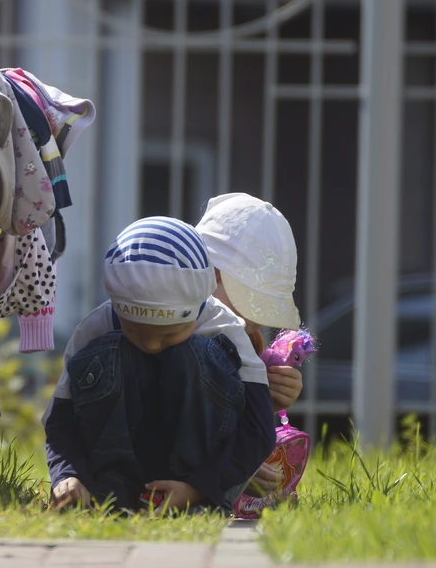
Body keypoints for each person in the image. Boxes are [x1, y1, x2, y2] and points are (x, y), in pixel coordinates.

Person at [42, 217, 276, 513]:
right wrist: (68, 474)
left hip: (200, 482)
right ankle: (107, 495)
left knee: (195, 353)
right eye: (137, 331)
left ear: (198, 308)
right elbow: (59, 421)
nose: (152, 345)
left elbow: (259, 430)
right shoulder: (96, 327)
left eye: (169, 334)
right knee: (110, 350)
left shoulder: (223, 327)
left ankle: (196, 503)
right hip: (112, 475)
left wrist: (199, 487)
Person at [195, 192, 305, 497]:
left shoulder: (245, 340)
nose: (255, 322)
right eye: (250, 301)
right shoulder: (173, 338)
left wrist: (268, 403)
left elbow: (221, 414)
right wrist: (233, 466)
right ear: (209, 273)